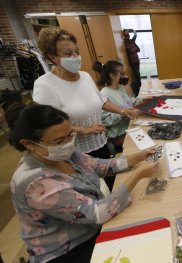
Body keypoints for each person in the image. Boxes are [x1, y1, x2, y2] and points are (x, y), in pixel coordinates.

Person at [5, 103, 159, 263]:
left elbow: (101, 166)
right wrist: (138, 175)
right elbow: (98, 213)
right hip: (65, 253)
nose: (68, 143)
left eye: (70, 134)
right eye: (59, 141)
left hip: (90, 226)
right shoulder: (34, 183)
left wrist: (139, 156)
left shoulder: (62, 152)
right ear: (29, 144)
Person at [33, 27, 138, 188]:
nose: (75, 57)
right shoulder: (45, 85)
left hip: (101, 142)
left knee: (110, 182)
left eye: (76, 51)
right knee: (92, 189)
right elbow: (47, 127)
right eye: (68, 54)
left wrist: (122, 110)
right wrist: (83, 130)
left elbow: (101, 101)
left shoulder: (85, 76)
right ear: (52, 57)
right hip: (73, 152)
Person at [93, 60, 142, 152]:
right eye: (121, 73)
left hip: (130, 125)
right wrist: (122, 113)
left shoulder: (121, 87)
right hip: (119, 133)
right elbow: (106, 121)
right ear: (112, 75)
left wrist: (143, 100)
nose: (124, 75)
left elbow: (127, 103)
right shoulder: (104, 93)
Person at [122, 29, 141, 96]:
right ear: (124, 35)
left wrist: (132, 30)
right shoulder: (125, 42)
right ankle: (139, 87)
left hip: (137, 60)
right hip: (132, 62)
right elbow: (131, 51)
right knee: (137, 74)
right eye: (127, 33)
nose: (128, 34)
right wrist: (134, 49)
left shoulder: (131, 41)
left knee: (138, 74)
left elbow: (138, 49)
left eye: (128, 33)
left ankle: (140, 86)